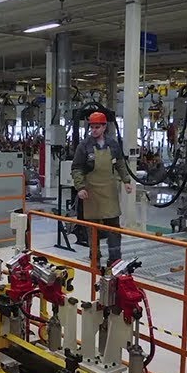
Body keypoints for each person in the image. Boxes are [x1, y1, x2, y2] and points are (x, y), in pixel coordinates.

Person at [72, 111, 134, 265]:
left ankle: (115, 259)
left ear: (104, 127)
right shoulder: (84, 146)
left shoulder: (113, 144)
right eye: (92, 127)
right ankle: (95, 258)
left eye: (97, 127)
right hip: (91, 193)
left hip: (109, 192)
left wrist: (126, 181)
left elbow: (120, 164)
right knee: (93, 229)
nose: (94, 130)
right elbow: (77, 168)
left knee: (114, 228)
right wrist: (80, 187)